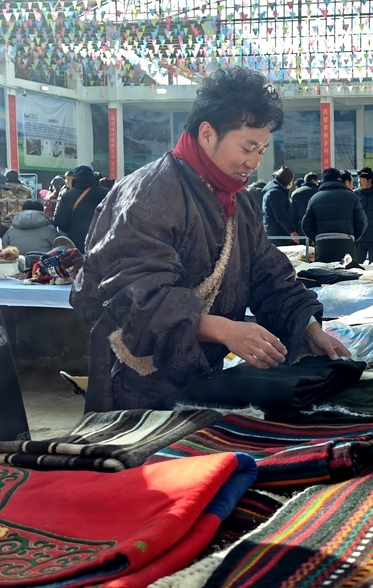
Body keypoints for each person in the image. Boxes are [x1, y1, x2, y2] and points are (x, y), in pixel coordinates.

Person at [70, 67, 349, 413]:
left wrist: (309, 328)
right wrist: (223, 329)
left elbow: (267, 273)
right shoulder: (150, 193)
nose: (254, 162)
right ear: (207, 133)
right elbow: (133, 296)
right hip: (138, 382)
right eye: (247, 147)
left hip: (202, 378)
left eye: (262, 150)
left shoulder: (240, 202)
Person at [302, 168, 367, 263]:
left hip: (323, 245)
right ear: (339, 179)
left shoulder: (315, 198)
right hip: (346, 244)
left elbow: (306, 225)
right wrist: (352, 237)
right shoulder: (351, 197)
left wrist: (317, 238)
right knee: (349, 274)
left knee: (324, 274)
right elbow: (362, 222)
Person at [54, 165, 109, 253]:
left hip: (77, 244)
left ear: (75, 178)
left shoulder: (68, 195)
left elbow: (60, 222)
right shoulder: (106, 192)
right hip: (102, 241)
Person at [262, 165, 298, 245]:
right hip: (278, 235)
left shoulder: (274, 190)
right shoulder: (275, 193)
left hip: (275, 233)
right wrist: (292, 231)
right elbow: (280, 215)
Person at [292, 172, 319, 238]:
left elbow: (293, 213)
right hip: (316, 228)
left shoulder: (295, 193)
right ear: (313, 180)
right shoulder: (319, 192)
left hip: (301, 228)